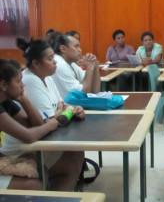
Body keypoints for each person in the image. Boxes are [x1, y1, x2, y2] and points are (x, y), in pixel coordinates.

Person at [16, 38, 85, 190]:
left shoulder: (47, 77)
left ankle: (63, 194)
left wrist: (74, 109)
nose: (55, 62)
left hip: (43, 139)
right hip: (27, 148)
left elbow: (62, 106)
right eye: (50, 58)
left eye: (54, 57)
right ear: (36, 63)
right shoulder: (30, 81)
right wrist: (62, 112)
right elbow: (52, 121)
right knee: (69, 165)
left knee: (77, 153)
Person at [0, 59, 58, 190]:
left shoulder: (6, 102)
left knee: (41, 168)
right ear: (4, 85)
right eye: (18, 81)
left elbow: (35, 125)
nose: (23, 85)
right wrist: (50, 124)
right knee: (32, 186)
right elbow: (29, 136)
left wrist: (23, 99)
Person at [49, 33, 100, 99]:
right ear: (63, 49)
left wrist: (95, 66)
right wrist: (90, 67)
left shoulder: (71, 63)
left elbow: (95, 91)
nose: (80, 50)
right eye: (76, 46)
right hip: (65, 107)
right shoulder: (59, 64)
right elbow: (83, 94)